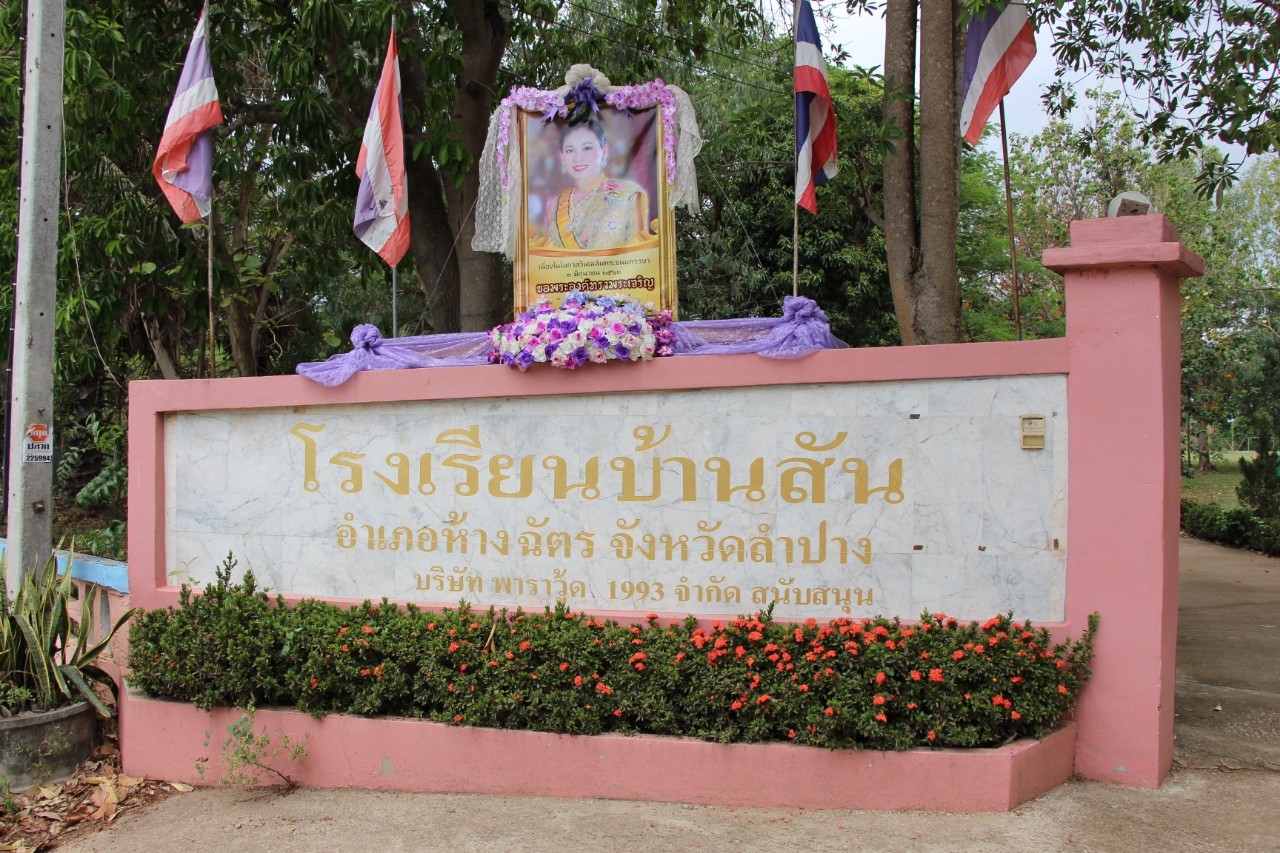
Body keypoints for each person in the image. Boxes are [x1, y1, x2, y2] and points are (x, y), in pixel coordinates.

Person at [542, 118, 649, 250]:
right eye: (570, 150)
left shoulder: (628, 196)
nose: (578, 158)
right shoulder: (553, 205)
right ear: (562, 157)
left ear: (604, 151)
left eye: (587, 148)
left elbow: (638, 255)